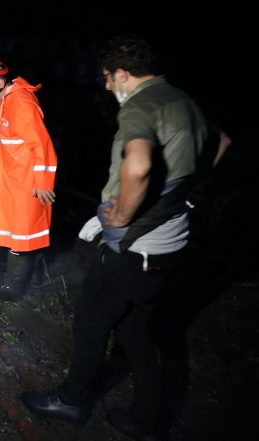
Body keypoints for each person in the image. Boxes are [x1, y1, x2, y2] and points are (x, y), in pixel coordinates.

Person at [20, 35, 231, 439]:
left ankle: (71, 401)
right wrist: (178, 191)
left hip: (137, 247)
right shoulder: (180, 99)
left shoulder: (140, 105)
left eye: (106, 78)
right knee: (135, 331)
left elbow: (138, 166)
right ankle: (147, 422)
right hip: (170, 243)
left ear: (121, 73)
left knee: (91, 321)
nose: (105, 86)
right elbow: (221, 143)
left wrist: (120, 216)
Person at [0, 57, 57, 300]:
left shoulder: (21, 102)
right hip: (14, 181)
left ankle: (11, 290)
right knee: (18, 233)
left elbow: (42, 145)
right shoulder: (7, 99)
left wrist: (42, 184)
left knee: (23, 235)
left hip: (28, 183)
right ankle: (29, 282)